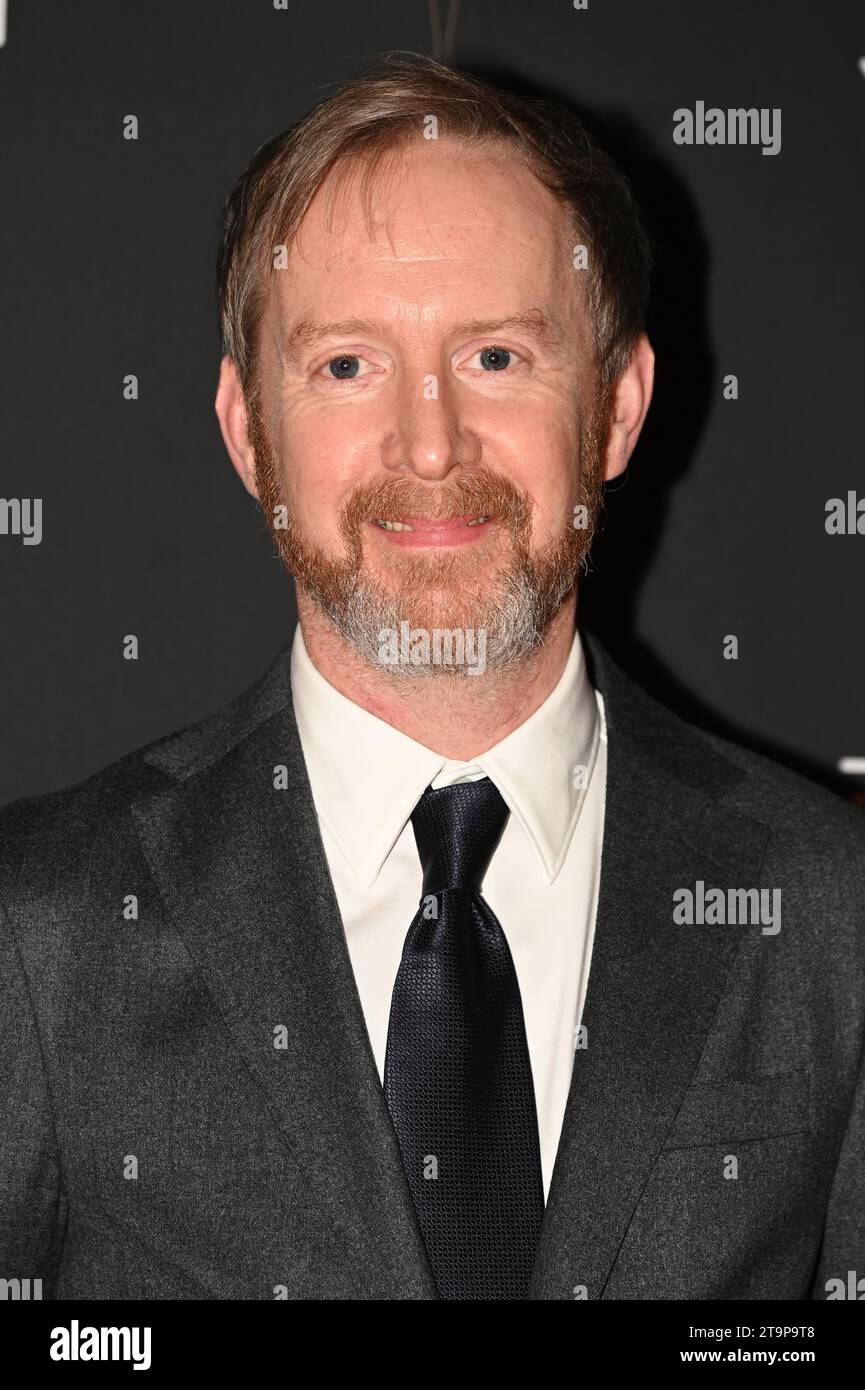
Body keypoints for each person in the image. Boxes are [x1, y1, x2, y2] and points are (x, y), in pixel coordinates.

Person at [1, 52, 863, 1302]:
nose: (429, 441)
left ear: (618, 405)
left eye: (497, 357)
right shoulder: (39, 933)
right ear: (252, 434)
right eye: (346, 365)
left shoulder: (829, 913)